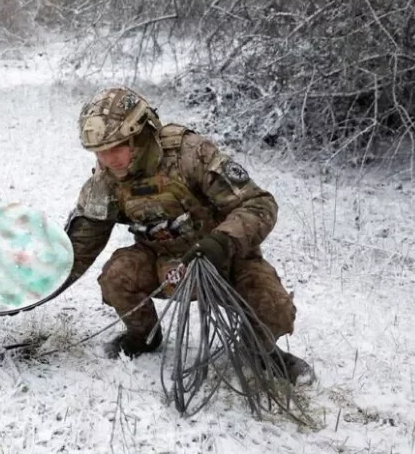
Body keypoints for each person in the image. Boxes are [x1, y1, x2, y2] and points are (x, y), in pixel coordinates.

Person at [62, 86, 314, 385]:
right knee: (117, 276)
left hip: (223, 258)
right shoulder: (104, 181)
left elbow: (259, 203)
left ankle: (259, 352)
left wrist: (222, 242)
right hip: (162, 263)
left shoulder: (191, 154)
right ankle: (143, 337)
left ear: (140, 135)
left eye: (117, 147)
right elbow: (80, 245)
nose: (108, 159)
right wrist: (31, 292)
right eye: (100, 152)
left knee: (275, 307)